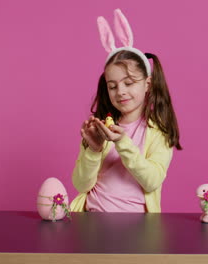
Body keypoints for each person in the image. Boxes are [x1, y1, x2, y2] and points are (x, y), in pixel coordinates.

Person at [69, 9, 182, 213]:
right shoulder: (100, 128)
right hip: (92, 220)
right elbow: (81, 185)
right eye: (112, 86)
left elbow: (152, 181)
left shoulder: (159, 133)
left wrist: (122, 143)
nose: (120, 91)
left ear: (147, 84)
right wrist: (93, 150)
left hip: (136, 227)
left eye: (129, 83)